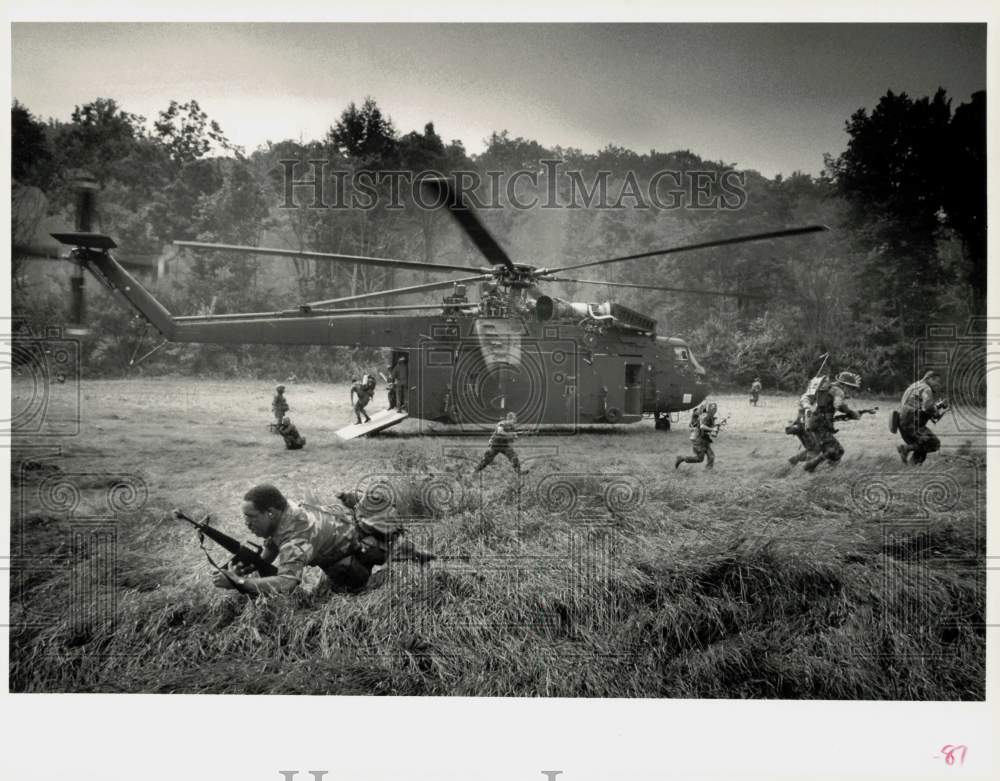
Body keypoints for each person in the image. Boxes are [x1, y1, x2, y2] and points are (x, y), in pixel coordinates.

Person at [212, 484, 432, 596]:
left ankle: (393, 559)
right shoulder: (284, 510)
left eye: (250, 517)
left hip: (357, 551)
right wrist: (251, 566)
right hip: (346, 529)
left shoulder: (296, 538)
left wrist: (240, 583)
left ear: (270, 512)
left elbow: (287, 582)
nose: (246, 523)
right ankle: (401, 547)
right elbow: (271, 547)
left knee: (347, 590)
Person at [800, 371, 862, 473]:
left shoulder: (826, 388)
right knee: (837, 450)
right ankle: (810, 467)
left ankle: (818, 470)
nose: (852, 390)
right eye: (851, 387)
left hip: (812, 422)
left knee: (819, 450)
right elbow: (838, 405)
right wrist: (852, 413)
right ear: (845, 385)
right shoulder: (838, 391)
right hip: (821, 425)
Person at [897, 370, 945, 465]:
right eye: (937, 381)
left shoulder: (915, 385)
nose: (938, 385)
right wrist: (937, 412)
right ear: (929, 378)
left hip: (903, 421)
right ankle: (905, 449)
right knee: (934, 444)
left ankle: (911, 468)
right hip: (912, 422)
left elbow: (918, 404)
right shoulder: (926, 388)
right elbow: (927, 407)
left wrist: (936, 406)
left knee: (923, 445)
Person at [676, 400, 721, 470]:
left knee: (711, 456)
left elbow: (712, 434)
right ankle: (682, 458)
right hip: (698, 440)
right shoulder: (705, 416)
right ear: (708, 409)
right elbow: (702, 426)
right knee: (699, 459)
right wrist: (713, 429)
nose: (714, 410)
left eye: (715, 408)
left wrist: (716, 429)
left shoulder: (711, 418)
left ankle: (708, 471)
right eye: (712, 408)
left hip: (705, 440)